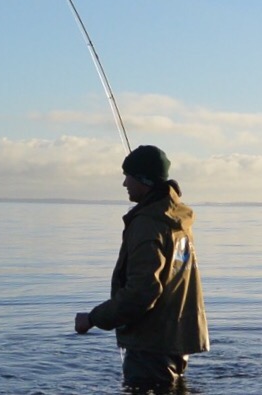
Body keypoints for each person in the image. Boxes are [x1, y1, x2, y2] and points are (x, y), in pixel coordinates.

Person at [74, 145, 209, 391]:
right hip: (176, 339)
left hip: (151, 344)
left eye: (128, 176)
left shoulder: (148, 223)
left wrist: (93, 319)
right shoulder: (176, 219)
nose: (124, 183)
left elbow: (142, 291)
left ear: (144, 180)